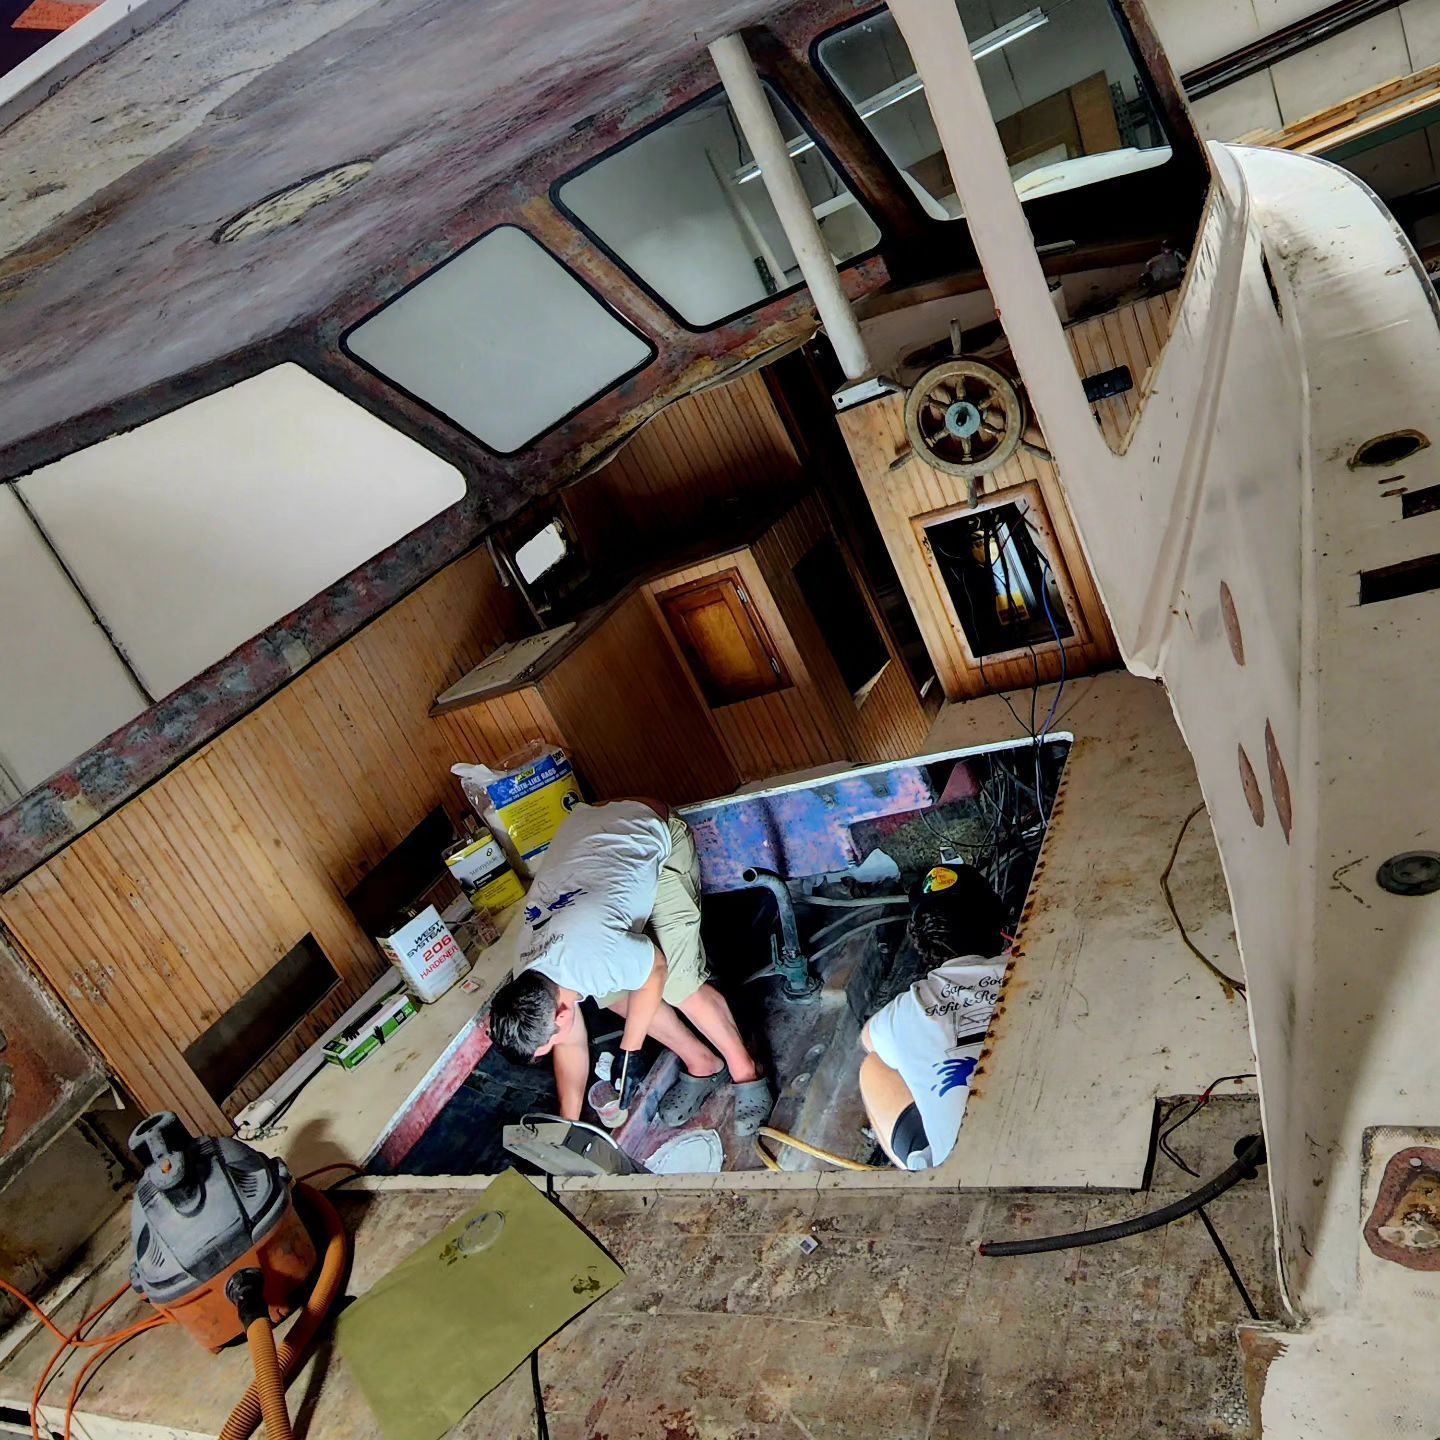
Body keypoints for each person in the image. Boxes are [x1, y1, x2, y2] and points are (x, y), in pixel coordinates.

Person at [486, 798, 773, 1135]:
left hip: (655, 830)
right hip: (597, 840)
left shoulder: (591, 956)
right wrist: (567, 1126)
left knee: (679, 985)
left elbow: (656, 968)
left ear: (560, 1016)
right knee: (615, 995)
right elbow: (570, 1043)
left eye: (550, 1042)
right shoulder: (528, 976)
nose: (558, 1042)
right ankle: (703, 1063)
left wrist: (630, 1049)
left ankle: (746, 1070)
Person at [858, 861, 1007, 1170]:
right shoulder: (1041, 968)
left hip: (969, 1182)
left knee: (873, 1067)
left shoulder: (905, 1011)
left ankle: (916, 1168)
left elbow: (867, 1039)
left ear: (920, 941)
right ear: (998, 919)